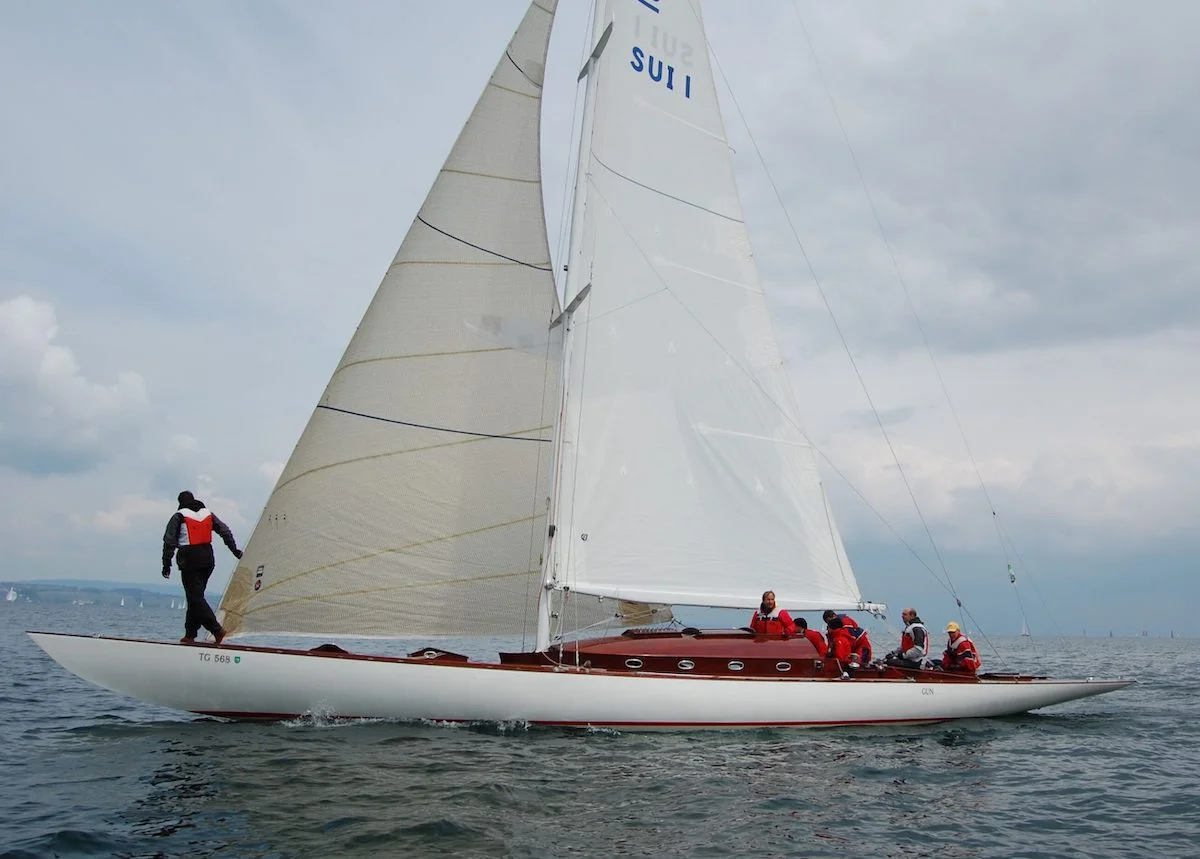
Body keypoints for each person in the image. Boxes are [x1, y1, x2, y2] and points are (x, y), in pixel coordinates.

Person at [162, 490, 242, 644]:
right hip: (208, 559)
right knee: (195, 598)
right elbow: (225, 531)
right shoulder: (208, 514)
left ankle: (217, 630)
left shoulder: (179, 516)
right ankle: (190, 635)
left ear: (180, 502)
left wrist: (167, 564)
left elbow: (169, 541)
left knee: (195, 598)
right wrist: (235, 550)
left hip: (190, 559)